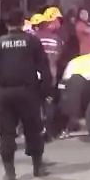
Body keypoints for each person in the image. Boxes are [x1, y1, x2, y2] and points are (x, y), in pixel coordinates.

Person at [0, 9, 55, 180]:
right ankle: (37, 167)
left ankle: (10, 173)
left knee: (6, 133)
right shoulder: (32, 42)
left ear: (6, 24)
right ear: (23, 22)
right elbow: (44, 68)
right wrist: (45, 91)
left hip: (5, 93)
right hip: (28, 92)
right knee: (33, 130)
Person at [33, 9, 67, 140]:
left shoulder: (34, 38)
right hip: (50, 76)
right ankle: (48, 131)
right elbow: (60, 57)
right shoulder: (56, 39)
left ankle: (35, 130)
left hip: (34, 76)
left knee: (35, 104)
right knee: (49, 103)